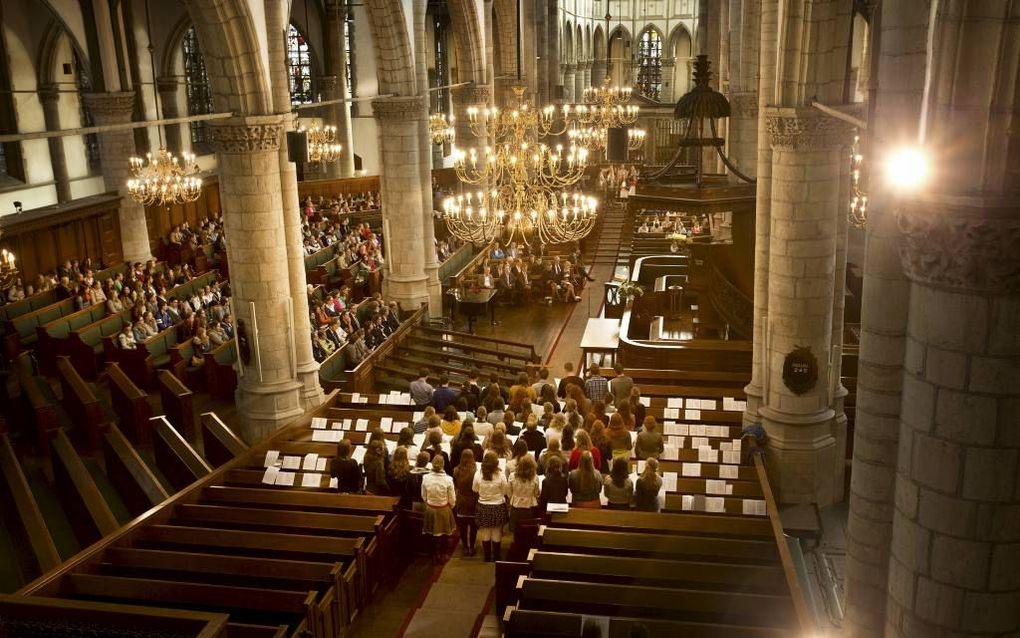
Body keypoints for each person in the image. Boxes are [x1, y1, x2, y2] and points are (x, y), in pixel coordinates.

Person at [473, 451, 509, 562]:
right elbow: (505, 491)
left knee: (485, 532)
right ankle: (496, 557)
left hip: (483, 506)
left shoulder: (478, 474)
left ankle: (487, 557)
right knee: (497, 532)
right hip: (497, 506)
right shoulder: (501, 475)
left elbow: (475, 489)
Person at [421, 455, 457, 564]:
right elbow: (452, 498)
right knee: (444, 535)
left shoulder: (426, 478)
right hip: (443, 509)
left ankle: (434, 554)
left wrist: (430, 503)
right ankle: (443, 554)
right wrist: (451, 506)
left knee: (432, 534)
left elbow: (423, 495)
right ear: (443, 465)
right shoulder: (448, 480)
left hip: (430, 509)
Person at [452, 449, 479, 557]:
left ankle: (464, 547)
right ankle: (471, 547)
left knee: (462, 526)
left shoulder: (456, 470)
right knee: (473, 526)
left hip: (461, 500)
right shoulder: (476, 471)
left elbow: (456, 486)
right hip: (473, 501)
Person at [507, 455, 540, 537]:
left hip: (515, 506)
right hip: (529, 507)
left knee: (516, 531)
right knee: (528, 532)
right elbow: (536, 494)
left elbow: (509, 493)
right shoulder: (535, 477)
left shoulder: (512, 476)